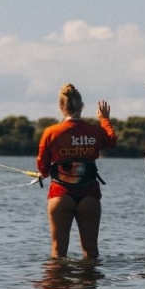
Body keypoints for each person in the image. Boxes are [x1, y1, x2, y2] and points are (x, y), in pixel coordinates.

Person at [36, 83, 117, 260]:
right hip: (89, 195)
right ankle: (88, 287)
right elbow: (111, 141)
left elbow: (42, 164)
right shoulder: (94, 131)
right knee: (91, 254)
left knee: (58, 253)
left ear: (61, 107)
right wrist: (104, 119)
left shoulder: (51, 132)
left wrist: (43, 173)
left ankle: (57, 287)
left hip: (60, 195)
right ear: (81, 106)